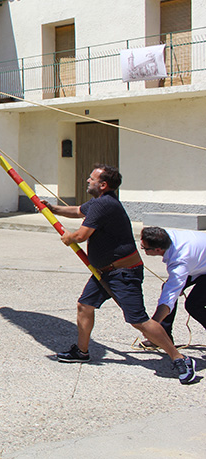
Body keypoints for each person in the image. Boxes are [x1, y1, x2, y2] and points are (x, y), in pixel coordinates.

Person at [46, 164, 196, 384]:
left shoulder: (104, 204)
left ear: (103, 184)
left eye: (92, 178)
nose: (88, 180)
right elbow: (79, 211)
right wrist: (52, 209)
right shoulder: (99, 203)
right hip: (104, 271)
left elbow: (81, 235)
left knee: (139, 321)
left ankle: (179, 358)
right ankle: (82, 351)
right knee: (84, 305)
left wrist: (70, 238)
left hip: (123, 273)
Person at [139, 226, 206, 346]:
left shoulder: (180, 262)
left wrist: (152, 325)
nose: (142, 249)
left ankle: (157, 333)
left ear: (158, 249)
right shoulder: (166, 236)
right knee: (168, 287)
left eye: (145, 248)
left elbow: (168, 298)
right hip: (199, 263)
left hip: (198, 264)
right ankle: (163, 337)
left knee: (194, 305)